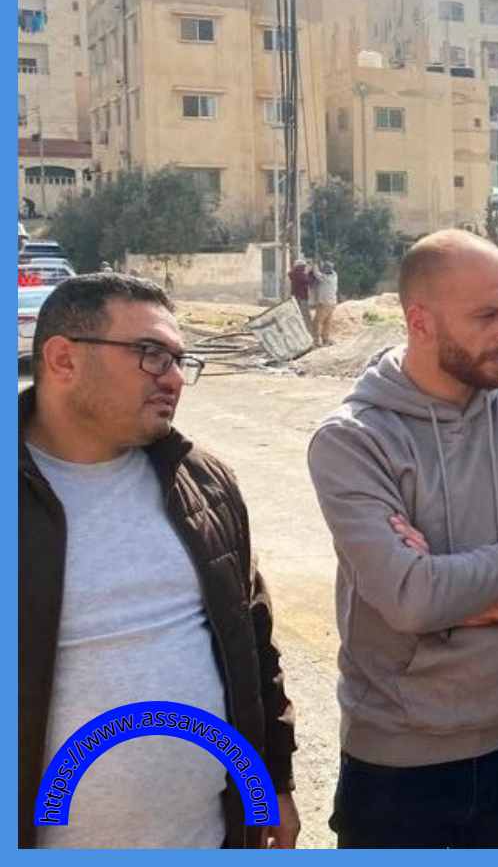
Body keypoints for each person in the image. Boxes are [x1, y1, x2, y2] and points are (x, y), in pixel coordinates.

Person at [307, 230, 498, 848]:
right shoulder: (353, 440)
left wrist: (497, 604)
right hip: (397, 764)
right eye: (487, 316)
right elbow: (413, 599)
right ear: (420, 322)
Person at [19, 273, 299, 848]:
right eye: (150, 354)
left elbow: (253, 644)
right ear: (63, 359)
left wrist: (272, 785)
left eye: (179, 359)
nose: (173, 378)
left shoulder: (204, 482)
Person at [312, 260, 339, 348]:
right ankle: (325, 339)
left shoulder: (325, 278)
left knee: (317, 322)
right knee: (327, 322)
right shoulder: (334, 276)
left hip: (324, 303)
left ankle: (317, 340)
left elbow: (316, 273)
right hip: (332, 303)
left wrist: (315, 264)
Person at [287, 259, 314, 331]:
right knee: (305, 316)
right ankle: (308, 331)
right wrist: (310, 273)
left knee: (297, 314)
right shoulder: (299, 274)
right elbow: (308, 281)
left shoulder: (293, 273)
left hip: (296, 297)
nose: (304, 268)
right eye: (303, 266)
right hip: (302, 298)